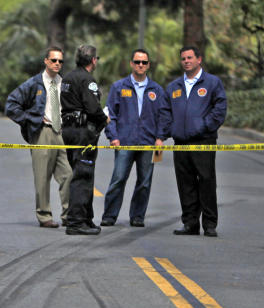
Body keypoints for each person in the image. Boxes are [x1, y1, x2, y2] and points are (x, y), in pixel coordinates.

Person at [101, 48, 170, 228]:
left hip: (148, 144)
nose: (140, 65)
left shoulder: (157, 90)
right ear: (131, 63)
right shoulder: (119, 87)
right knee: (118, 179)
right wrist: (113, 136)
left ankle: (137, 216)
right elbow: (110, 114)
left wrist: (160, 138)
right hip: (124, 142)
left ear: (148, 65)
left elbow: (164, 116)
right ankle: (109, 215)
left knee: (144, 183)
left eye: (144, 62)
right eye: (137, 62)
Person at [5, 47, 72, 229]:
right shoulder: (34, 83)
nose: (57, 63)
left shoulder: (64, 84)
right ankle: (44, 216)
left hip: (61, 133)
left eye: (60, 61)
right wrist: (31, 119)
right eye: (54, 60)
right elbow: (11, 105)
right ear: (46, 61)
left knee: (68, 175)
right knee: (42, 178)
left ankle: (68, 215)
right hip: (42, 132)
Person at [165, 45, 227, 237]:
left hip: (203, 141)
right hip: (181, 143)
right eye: (183, 58)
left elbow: (220, 109)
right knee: (186, 184)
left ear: (199, 59)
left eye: (190, 58)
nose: (186, 61)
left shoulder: (212, 83)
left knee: (206, 182)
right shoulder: (173, 86)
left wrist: (203, 127)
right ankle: (190, 223)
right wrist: (170, 129)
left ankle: (209, 224)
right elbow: (165, 112)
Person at [60, 44, 108, 236]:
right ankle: (76, 222)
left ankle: (86, 219)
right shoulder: (87, 80)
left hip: (68, 130)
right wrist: (105, 119)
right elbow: (92, 108)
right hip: (82, 132)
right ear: (93, 60)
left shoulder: (68, 77)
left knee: (80, 172)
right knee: (83, 176)